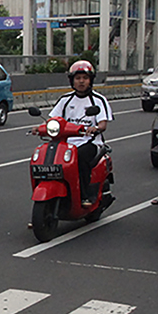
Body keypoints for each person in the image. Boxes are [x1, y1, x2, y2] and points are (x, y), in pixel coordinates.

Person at [47, 61, 113, 207]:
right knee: (46, 156)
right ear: (72, 81)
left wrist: (95, 128)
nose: (81, 81)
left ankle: (85, 195)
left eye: (85, 78)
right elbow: (53, 120)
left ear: (90, 80)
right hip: (65, 143)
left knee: (80, 158)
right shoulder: (65, 100)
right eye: (78, 78)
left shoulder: (98, 100)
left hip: (90, 143)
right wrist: (40, 128)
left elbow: (103, 124)